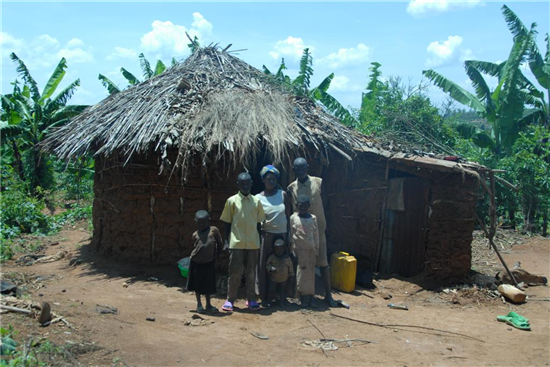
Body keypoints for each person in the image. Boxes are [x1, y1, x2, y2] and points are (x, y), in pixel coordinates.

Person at [287, 157, 337, 307]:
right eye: (297, 168)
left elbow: (326, 202)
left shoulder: (318, 182)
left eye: (303, 168)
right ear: (294, 170)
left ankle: (328, 295)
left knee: (323, 263)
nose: (301, 171)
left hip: (318, 231)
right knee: (302, 265)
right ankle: (302, 296)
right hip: (301, 234)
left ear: (307, 167)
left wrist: (323, 223)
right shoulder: (291, 188)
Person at [220, 172, 266, 312]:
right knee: (235, 272)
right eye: (242, 183)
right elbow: (227, 223)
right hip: (236, 242)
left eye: (248, 183)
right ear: (237, 185)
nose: (245, 186)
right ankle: (230, 299)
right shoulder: (232, 201)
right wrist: (226, 241)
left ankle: (251, 299)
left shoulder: (256, 201)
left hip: (252, 243)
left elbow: (259, 224)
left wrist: (258, 240)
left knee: (251, 272)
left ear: (252, 184)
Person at [255, 165, 291, 305]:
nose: (271, 181)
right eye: (268, 179)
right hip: (267, 236)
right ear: (263, 180)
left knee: (283, 266)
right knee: (266, 266)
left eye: (274, 179)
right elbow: (257, 221)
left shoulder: (283, 195)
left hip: (281, 236)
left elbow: (288, 216)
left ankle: (282, 296)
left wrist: (288, 235)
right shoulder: (258, 198)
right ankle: (265, 296)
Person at [187, 210, 222, 313]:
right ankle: (199, 305)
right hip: (196, 263)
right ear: (195, 222)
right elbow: (195, 247)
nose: (201, 225)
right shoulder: (195, 234)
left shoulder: (214, 230)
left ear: (209, 221)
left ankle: (208, 304)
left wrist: (219, 254)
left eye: (204, 222)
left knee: (208, 285)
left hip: (209, 262)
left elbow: (219, 243)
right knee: (197, 285)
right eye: (199, 223)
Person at [290, 195, 319, 307]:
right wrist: (292, 249)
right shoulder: (293, 217)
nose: (303, 208)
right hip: (299, 250)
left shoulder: (313, 218)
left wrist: (316, 249)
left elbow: (316, 235)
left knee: (310, 274)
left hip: (310, 250)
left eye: (305, 206)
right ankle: (301, 297)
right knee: (300, 274)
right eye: (300, 206)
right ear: (297, 206)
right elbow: (291, 234)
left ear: (309, 206)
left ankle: (311, 297)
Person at [266, 238, 294, 307]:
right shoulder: (272, 257)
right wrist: (271, 268)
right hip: (274, 279)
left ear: (284, 249)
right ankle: (268, 302)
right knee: (271, 290)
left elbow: (290, 267)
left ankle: (281, 302)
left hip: (284, 279)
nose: (279, 251)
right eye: (277, 249)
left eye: (280, 249)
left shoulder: (287, 258)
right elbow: (267, 264)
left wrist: (291, 275)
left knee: (282, 291)